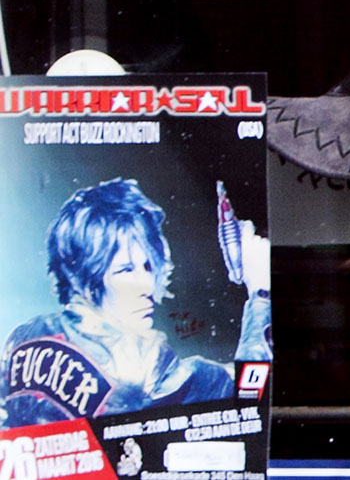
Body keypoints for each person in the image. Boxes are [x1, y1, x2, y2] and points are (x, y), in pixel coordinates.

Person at [3, 179, 271, 428]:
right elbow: (248, 398)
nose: (147, 286)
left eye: (148, 267)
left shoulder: (23, 338)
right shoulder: (142, 362)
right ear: (85, 280)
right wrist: (260, 292)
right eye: (126, 270)